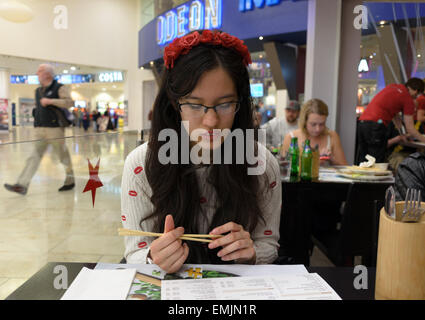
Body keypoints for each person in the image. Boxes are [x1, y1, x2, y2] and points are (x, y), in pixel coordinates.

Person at [120, 30, 281, 272]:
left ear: (240, 103)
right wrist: (154, 258)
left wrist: (252, 253)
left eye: (225, 104)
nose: (210, 121)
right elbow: (134, 252)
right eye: (195, 104)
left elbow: (268, 242)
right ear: (175, 104)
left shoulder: (261, 164)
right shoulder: (141, 164)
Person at [4, 64, 75, 195]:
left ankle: (70, 180)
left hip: (55, 129)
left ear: (48, 74)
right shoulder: (37, 91)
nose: (37, 73)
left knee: (62, 156)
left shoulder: (59, 87)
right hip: (40, 129)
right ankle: (22, 185)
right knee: (34, 157)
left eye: (40, 71)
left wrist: (51, 101)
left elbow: (70, 103)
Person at [356, 78, 425, 164]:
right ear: (416, 91)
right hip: (376, 126)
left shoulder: (393, 87)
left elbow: (395, 116)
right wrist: (423, 139)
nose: (416, 97)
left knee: (364, 159)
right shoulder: (408, 99)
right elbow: (410, 128)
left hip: (363, 123)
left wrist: (402, 134)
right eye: (417, 95)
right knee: (375, 161)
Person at [280, 98, 347, 166]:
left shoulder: (332, 136)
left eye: (322, 124)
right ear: (305, 121)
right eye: (313, 124)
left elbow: (345, 168)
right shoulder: (291, 138)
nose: (317, 129)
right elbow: (284, 167)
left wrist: (332, 159)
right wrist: (316, 161)